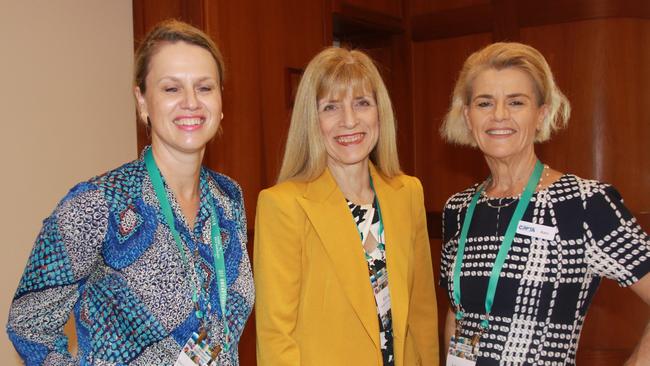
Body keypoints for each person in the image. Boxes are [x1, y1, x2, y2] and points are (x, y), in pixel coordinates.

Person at [6, 20, 254, 365]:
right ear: (142, 101)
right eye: (171, 89)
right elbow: (29, 324)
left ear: (221, 100)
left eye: (205, 87)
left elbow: (221, 331)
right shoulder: (98, 203)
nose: (191, 102)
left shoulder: (228, 198)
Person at [439, 42, 650, 365]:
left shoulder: (584, 204)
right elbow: (459, 315)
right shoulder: (459, 209)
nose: (499, 115)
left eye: (516, 102)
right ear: (467, 116)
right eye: (484, 103)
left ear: (541, 113)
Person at [254, 47, 439, 366]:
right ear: (312, 120)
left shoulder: (407, 193)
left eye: (362, 103)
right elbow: (275, 337)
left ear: (379, 112)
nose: (349, 121)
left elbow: (422, 316)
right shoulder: (283, 205)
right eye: (331, 107)